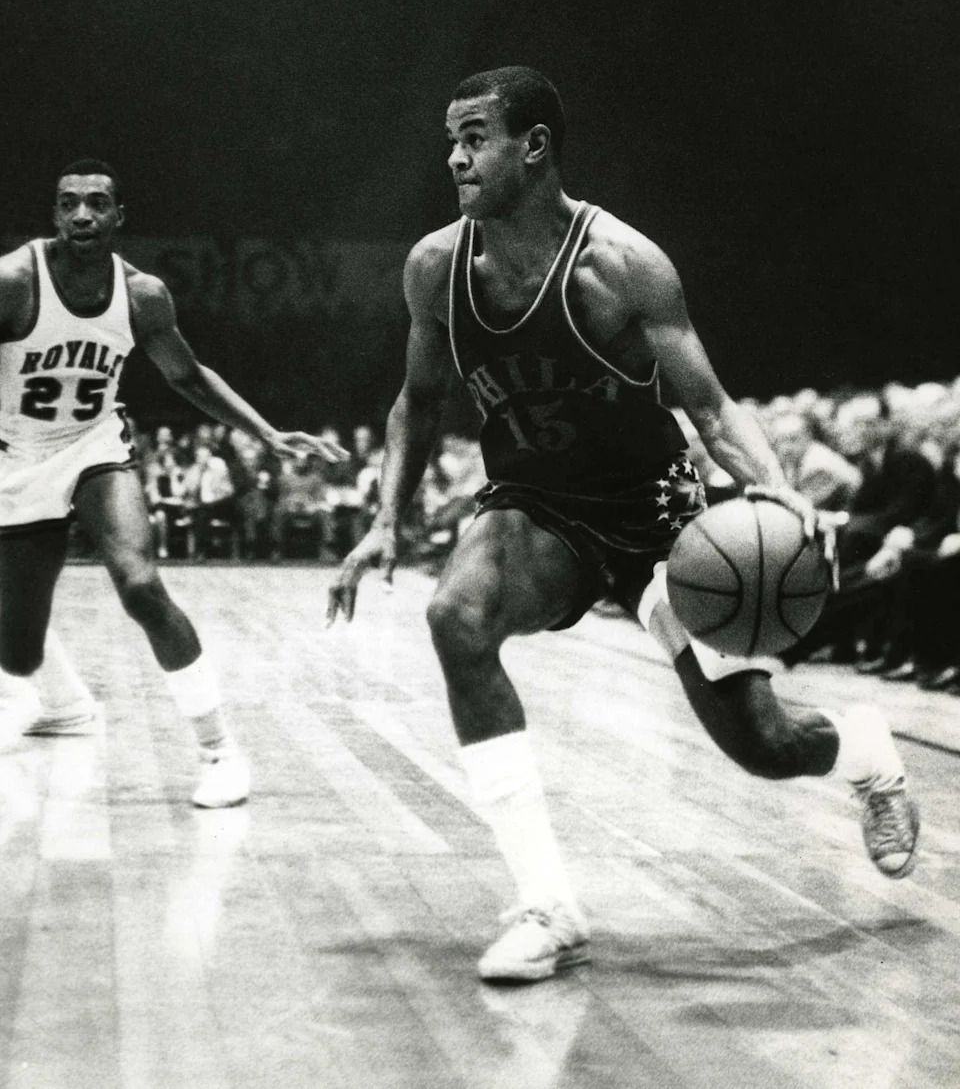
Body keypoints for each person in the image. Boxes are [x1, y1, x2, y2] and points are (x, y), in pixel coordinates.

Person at [327, 67, 921, 983]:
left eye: (475, 136)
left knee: (762, 746)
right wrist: (385, 520)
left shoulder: (623, 267)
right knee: (458, 619)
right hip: (537, 510)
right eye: (450, 139)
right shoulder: (435, 268)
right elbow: (417, 398)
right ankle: (548, 906)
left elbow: (714, 409)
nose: (455, 156)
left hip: (658, 516)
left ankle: (869, 754)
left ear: (535, 146)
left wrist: (780, 491)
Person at [0, 160, 345, 806]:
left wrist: (268, 433)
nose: (82, 215)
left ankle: (220, 752)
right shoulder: (14, 281)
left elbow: (187, 376)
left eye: (97, 203)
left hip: (95, 448)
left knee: (141, 585)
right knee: (15, 622)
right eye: (69, 203)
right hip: (15, 458)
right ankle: (66, 705)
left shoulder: (143, 295)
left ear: (119, 216)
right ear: (53, 215)